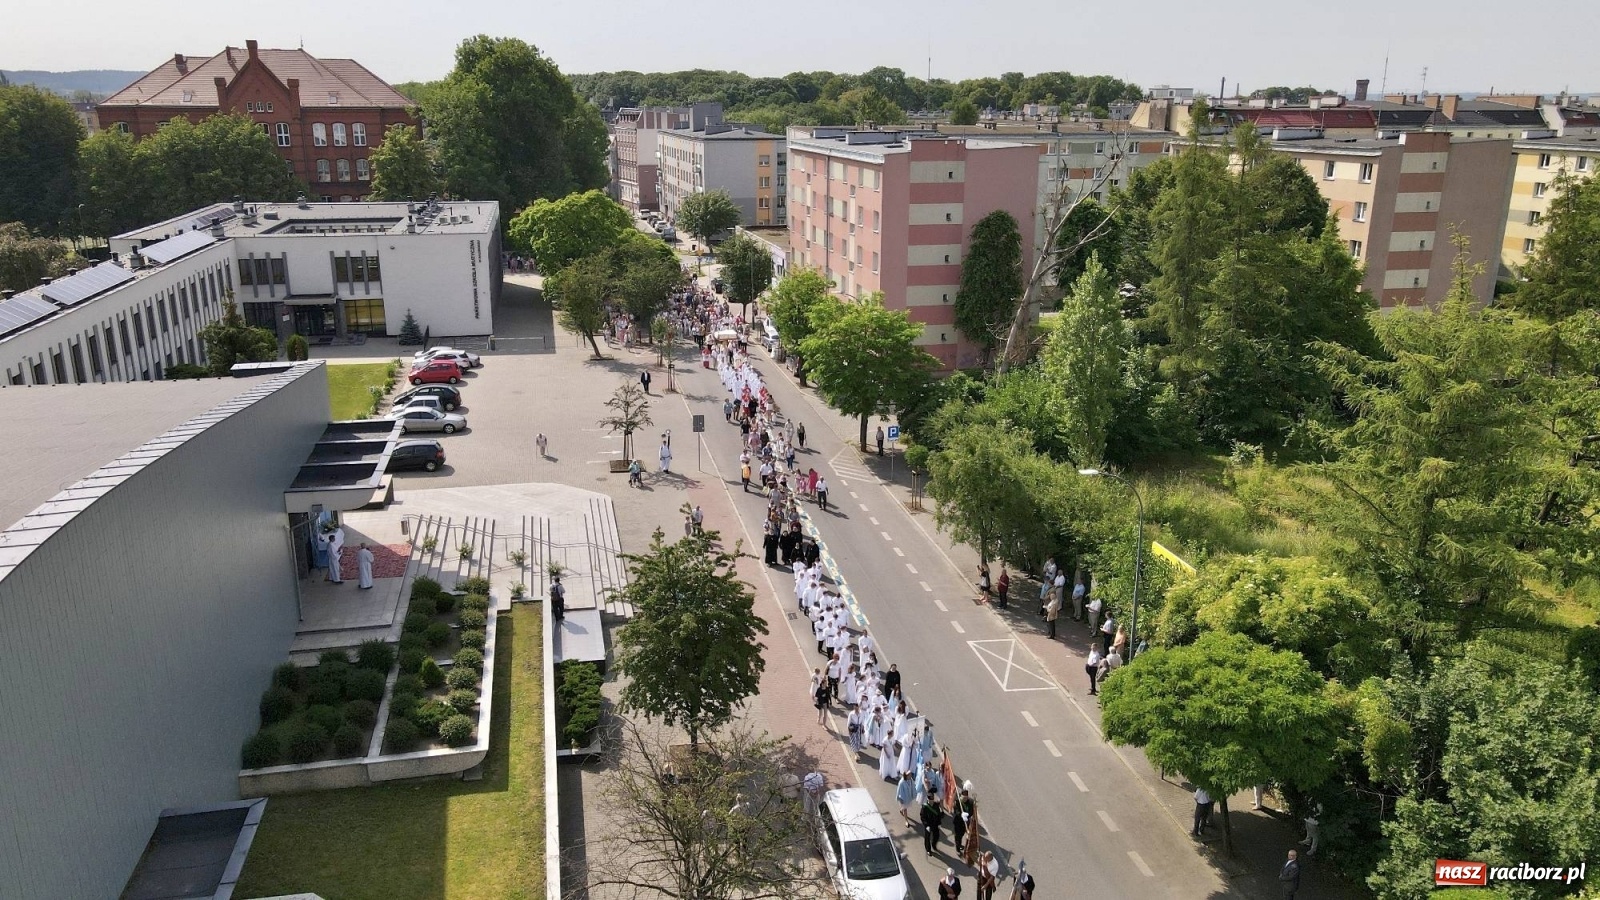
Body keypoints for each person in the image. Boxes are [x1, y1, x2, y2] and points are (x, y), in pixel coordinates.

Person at [920, 791, 945, 856]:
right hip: (928, 824)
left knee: (936, 836)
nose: (931, 801)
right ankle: (928, 849)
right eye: (930, 799)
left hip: (935, 824)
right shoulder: (924, 807)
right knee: (927, 838)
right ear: (928, 799)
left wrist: (939, 823)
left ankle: (934, 845)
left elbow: (938, 814)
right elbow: (923, 817)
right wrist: (926, 825)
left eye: (932, 799)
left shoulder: (936, 805)